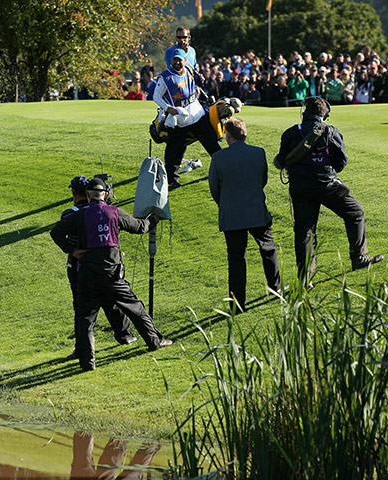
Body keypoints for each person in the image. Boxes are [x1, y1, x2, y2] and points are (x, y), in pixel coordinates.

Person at [50, 178, 172, 372]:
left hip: (87, 275)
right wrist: (155, 218)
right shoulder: (114, 212)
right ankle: (155, 341)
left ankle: (87, 363)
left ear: (88, 195)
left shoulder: (79, 215)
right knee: (136, 309)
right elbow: (140, 227)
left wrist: (72, 250)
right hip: (113, 275)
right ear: (105, 195)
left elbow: (55, 232)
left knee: (85, 320)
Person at [273, 97, 383, 282]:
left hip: (300, 188)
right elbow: (341, 163)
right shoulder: (331, 132)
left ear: (304, 112)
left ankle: (305, 278)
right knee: (355, 212)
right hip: (327, 186)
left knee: (305, 231)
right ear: (325, 114)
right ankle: (358, 257)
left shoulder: (291, 133)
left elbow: (282, 160)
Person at [60, 176, 137, 360]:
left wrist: (72, 250)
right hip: (107, 264)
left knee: (83, 311)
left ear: (74, 193)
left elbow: (61, 234)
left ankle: (83, 350)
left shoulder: (71, 213)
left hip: (80, 268)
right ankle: (125, 335)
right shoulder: (103, 211)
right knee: (111, 300)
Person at [208, 118, 281, 312]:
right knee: (268, 249)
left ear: (227, 136)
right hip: (256, 209)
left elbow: (214, 188)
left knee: (236, 259)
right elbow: (262, 179)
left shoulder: (218, 157)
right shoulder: (259, 153)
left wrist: (225, 203)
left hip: (231, 213)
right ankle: (276, 288)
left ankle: (238, 303)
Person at [152, 49, 228, 189]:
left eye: (179, 59)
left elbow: (197, 84)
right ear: (171, 60)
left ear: (184, 60)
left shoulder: (188, 69)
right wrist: (168, 108)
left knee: (211, 142)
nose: (177, 62)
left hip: (197, 113)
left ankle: (226, 170)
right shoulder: (165, 77)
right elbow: (156, 96)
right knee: (175, 149)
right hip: (179, 117)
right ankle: (172, 180)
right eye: (174, 59)